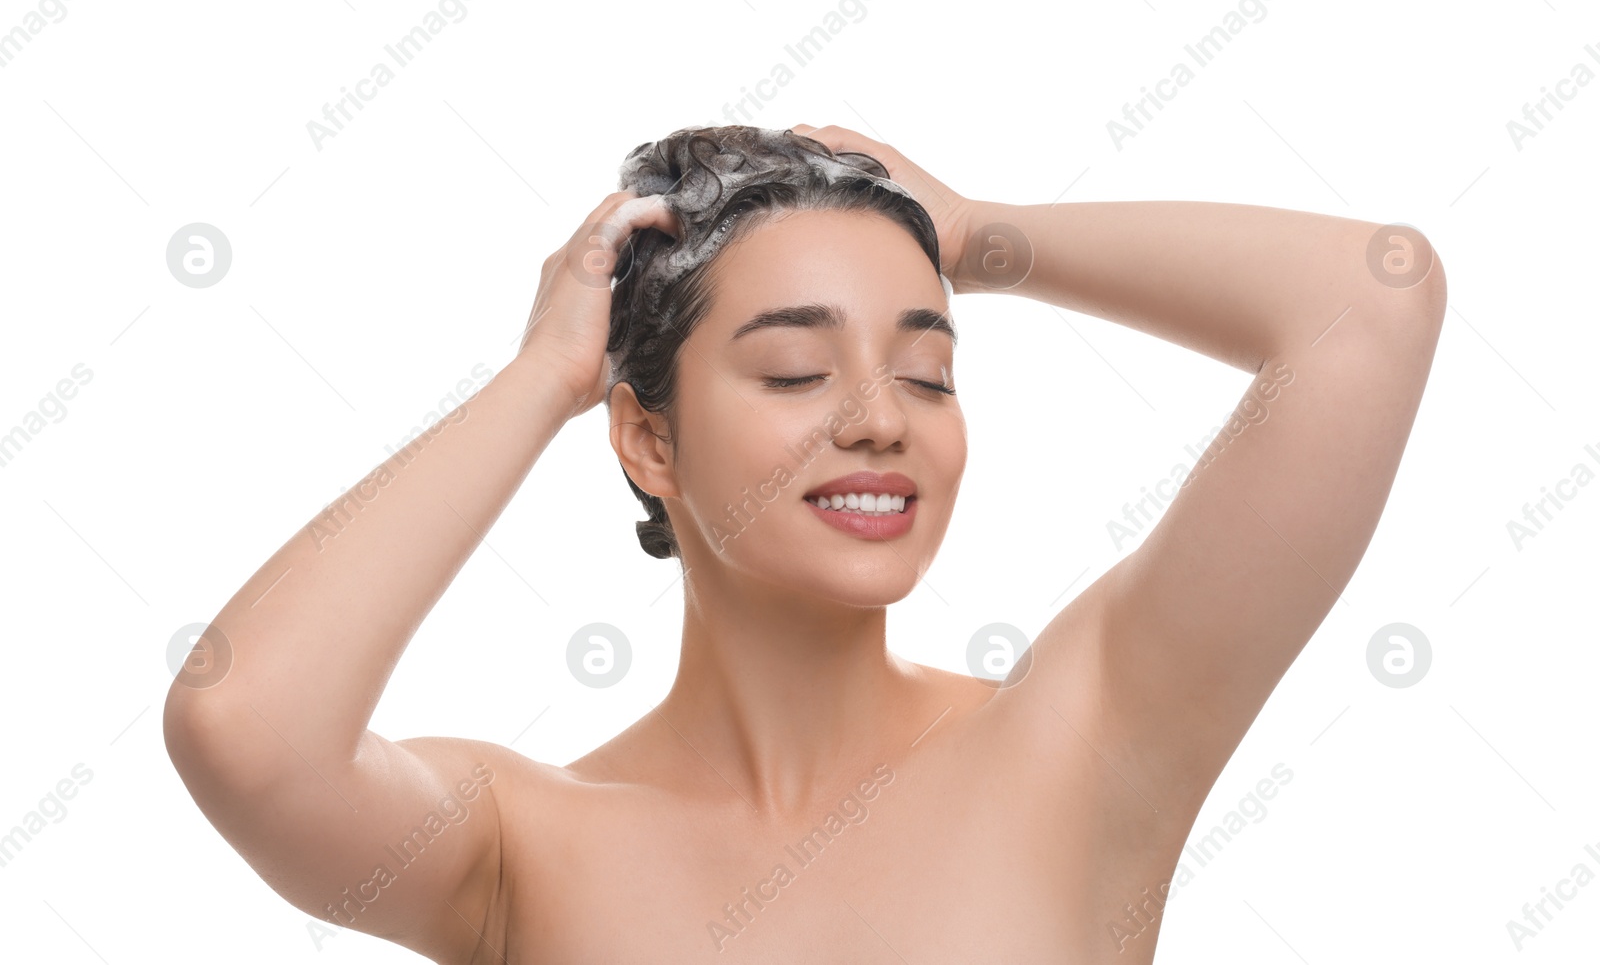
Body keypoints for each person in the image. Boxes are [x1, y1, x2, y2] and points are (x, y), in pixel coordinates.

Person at [163, 122, 1445, 962]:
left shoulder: (1088, 739)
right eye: (792, 370)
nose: (880, 419)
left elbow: (1370, 300)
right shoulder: (519, 844)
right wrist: (540, 379)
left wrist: (978, 234)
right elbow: (245, 726)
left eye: (929, 375)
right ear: (648, 443)